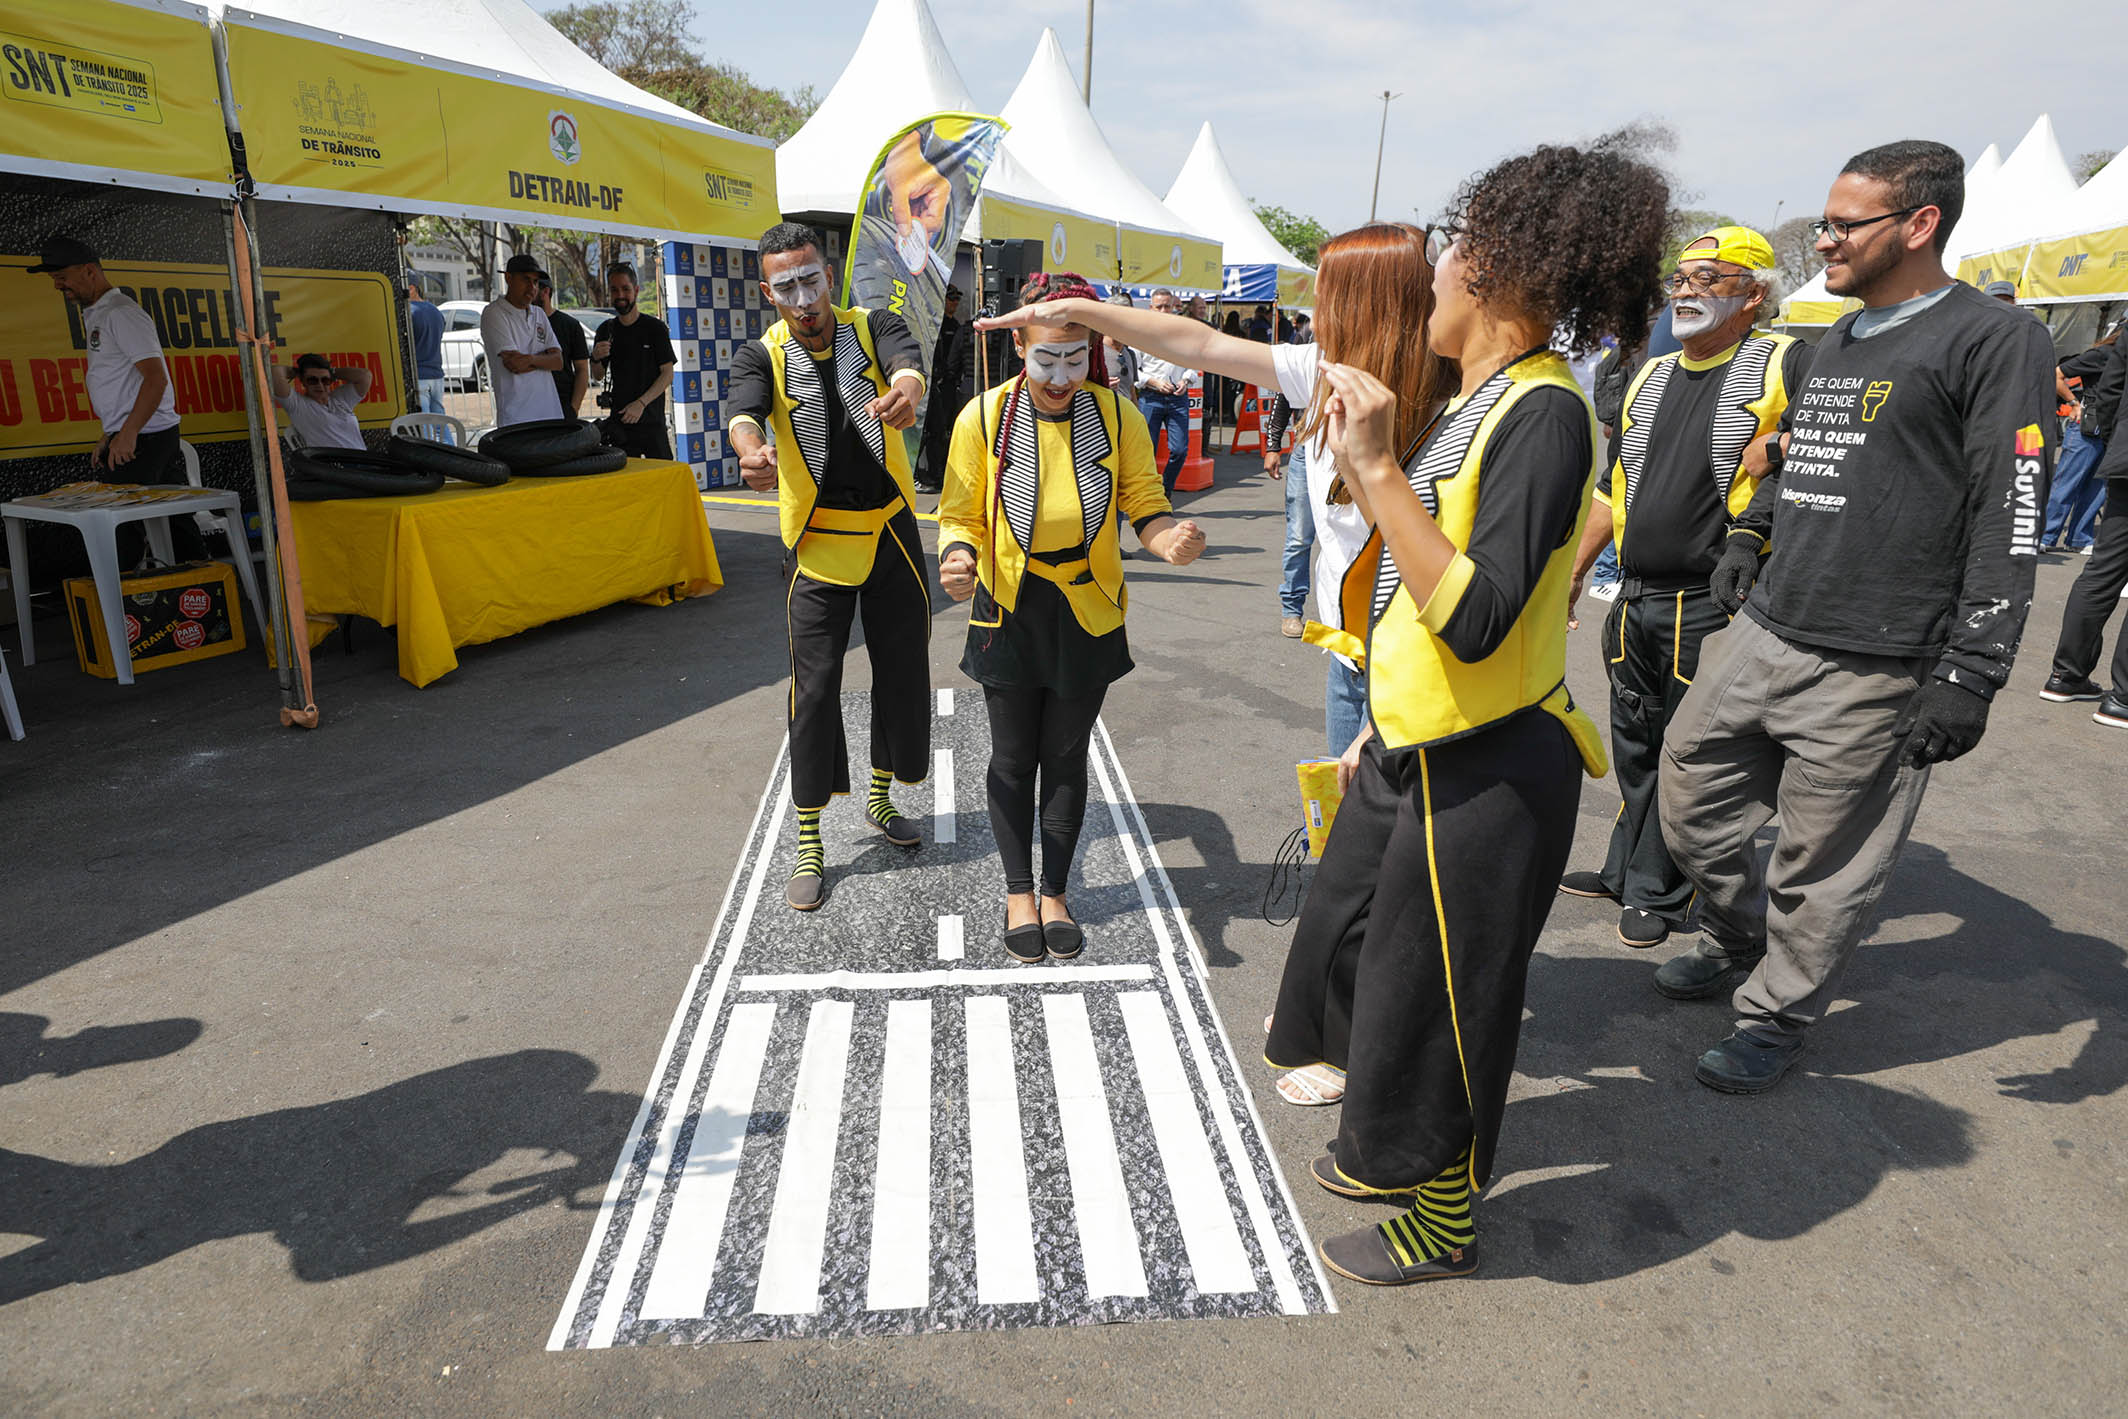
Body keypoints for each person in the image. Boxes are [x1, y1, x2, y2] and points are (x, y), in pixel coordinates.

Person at [1264, 139, 1667, 1286]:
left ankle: (1443, 1223)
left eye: (1445, 256)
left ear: (1491, 271)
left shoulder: (1543, 411)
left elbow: (1477, 616)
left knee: (1442, 1004)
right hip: (1419, 742)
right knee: (1351, 948)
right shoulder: (1479, 400)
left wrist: (1377, 470)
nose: (1427, 278)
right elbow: (1412, 596)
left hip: (1490, 765)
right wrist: (1374, 721)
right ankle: (1396, 1158)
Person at [1655, 140, 2057, 1093]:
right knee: (1689, 795)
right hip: (1770, 625)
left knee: (1822, 864)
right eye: (1826, 223)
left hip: (1883, 655)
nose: (1825, 240)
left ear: (1920, 224)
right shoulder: (1833, 339)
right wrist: (1749, 533)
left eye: (1843, 224)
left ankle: (1776, 1014)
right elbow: (1797, 449)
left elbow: (2013, 505)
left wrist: (1973, 670)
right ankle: (1736, 934)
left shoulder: (1995, 339)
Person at [989, 225, 1456, 761]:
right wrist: (1081, 310)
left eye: (1327, 295)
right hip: (1349, 650)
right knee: (1343, 804)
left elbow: (1422, 563)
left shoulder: (1449, 406)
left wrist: (1366, 468)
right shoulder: (1322, 367)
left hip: (1413, 655)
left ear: (1368, 304)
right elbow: (1200, 344)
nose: (1316, 312)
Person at [1556, 226, 1810, 951]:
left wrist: (1781, 444)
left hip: (1712, 598)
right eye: (1682, 277)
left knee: (1687, 753)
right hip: (1635, 593)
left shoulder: (1785, 361)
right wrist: (1575, 571)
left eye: (1710, 277)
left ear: (1754, 294)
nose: (1687, 290)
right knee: (1636, 740)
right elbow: (1613, 485)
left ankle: (1662, 891)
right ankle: (1626, 868)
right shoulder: (1653, 373)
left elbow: (1843, 438)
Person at [940, 272, 1206, 960]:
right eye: (1045, 359)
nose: (1061, 376)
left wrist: (1167, 540)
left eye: (1075, 357)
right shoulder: (983, 418)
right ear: (1018, 346)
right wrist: (958, 558)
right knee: (1011, 756)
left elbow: (1144, 502)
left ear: (1094, 348)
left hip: (1088, 606)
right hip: (1008, 604)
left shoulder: (1117, 416)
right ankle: (1018, 891)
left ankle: (1055, 891)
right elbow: (960, 514)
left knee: (1065, 755)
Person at [729, 222, 932, 912]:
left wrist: (907, 388)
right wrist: (751, 451)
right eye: (785, 287)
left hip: (891, 530)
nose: (803, 299)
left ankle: (878, 798)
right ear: (769, 293)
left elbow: (907, 361)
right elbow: (744, 413)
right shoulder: (761, 354)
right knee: (813, 690)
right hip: (817, 541)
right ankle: (810, 837)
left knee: (901, 671)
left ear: (827, 274)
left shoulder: (870, 326)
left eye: (810, 280)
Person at [28, 234, 203, 566]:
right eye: (54, 279)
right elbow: (121, 382)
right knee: (173, 521)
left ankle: (126, 593)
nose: (58, 286)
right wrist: (111, 432)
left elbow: (155, 379)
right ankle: (199, 585)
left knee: (120, 528)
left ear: (90, 271)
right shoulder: (100, 312)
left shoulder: (121, 313)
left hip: (146, 436)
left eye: (62, 277)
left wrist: (128, 433)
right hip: (141, 433)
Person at [2040, 324, 2128, 724]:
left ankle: (2066, 676)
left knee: (2101, 572)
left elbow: (2110, 390)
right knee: (2100, 571)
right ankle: (2122, 698)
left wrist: (2113, 440)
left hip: (2121, 455)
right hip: (2111, 446)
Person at [2042, 328, 2117, 554]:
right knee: (2068, 482)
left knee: (2097, 488)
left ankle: (2079, 538)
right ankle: (2045, 535)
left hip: (2111, 430)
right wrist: (2074, 402)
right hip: (2086, 427)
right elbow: (2056, 374)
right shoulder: (2103, 354)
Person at [590, 263, 676, 459]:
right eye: (614, 290)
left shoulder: (655, 328)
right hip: (620, 428)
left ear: (636, 290)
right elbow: (598, 375)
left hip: (652, 425)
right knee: (626, 478)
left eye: (625, 289)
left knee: (662, 475)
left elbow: (667, 373)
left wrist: (641, 404)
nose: (620, 295)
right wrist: (595, 358)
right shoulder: (606, 330)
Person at [480, 254, 563, 428]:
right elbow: (515, 364)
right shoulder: (494, 313)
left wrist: (530, 359)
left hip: (550, 413)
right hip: (517, 418)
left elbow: (558, 362)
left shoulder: (539, 313)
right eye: (526, 279)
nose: (532, 287)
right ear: (508, 278)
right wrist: (543, 358)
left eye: (535, 282)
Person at [1134, 290, 1196, 494]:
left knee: (1179, 450)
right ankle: (1148, 493)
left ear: (1174, 307)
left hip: (1178, 398)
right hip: (1151, 397)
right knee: (1146, 451)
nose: (1163, 310)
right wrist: (1153, 382)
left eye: (1167, 306)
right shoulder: (1141, 334)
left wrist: (1186, 379)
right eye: (1158, 306)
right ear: (1151, 308)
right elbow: (1134, 370)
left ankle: (1165, 490)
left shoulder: (1183, 333)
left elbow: (1193, 363)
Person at [914, 284, 972, 494]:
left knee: (941, 430)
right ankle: (917, 474)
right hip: (926, 382)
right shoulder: (930, 323)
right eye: (951, 298)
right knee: (923, 430)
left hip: (945, 384)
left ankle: (937, 473)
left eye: (957, 299)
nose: (955, 302)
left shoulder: (954, 325)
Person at [269, 352, 372, 450]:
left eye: (325, 380)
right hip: (332, 461)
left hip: (362, 458)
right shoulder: (297, 405)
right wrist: (296, 372)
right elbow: (274, 373)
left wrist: (333, 372)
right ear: (303, 381)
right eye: (312, 380)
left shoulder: (340, 398)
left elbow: (365, 376)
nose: (320, 385)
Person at [537, 276, 591, 418]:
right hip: (530, 404)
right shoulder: (522, 324)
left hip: (562, 403)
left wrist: (573, 408)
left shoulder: (570, 325)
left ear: (545, 291)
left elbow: (582, 369)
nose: (528, 292)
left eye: (533, 286)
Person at [407, 281, 447, 418]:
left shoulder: (409, 312)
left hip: (419, 375)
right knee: (439, 420)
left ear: (411, 288)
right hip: (437, 374)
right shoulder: (435, 311)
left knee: (424, 422)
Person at [1102, 292, 1140, 403]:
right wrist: (1102, 386)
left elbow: (1131, 391)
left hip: (1125, 413)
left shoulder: (1130, 354)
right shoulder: (1093, 353)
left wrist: (1136, 412)